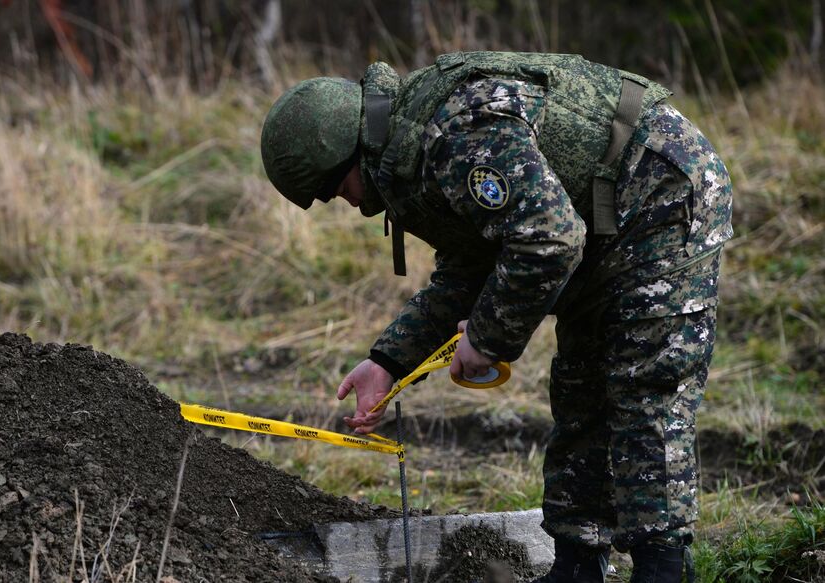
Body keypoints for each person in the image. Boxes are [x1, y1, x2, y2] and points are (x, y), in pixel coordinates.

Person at [260, 51, 731, 583]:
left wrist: (486, 338)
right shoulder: (408, 155)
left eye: (331, 189)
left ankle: (663, 568)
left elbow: (548, 239)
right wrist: (387, 361)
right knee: (581, 390)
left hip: (659, 195)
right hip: (596, 217)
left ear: (345, 154)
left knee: (642, 389)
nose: (340, 202)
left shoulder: (454, 134)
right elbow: (467, 267)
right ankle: (577, 566)